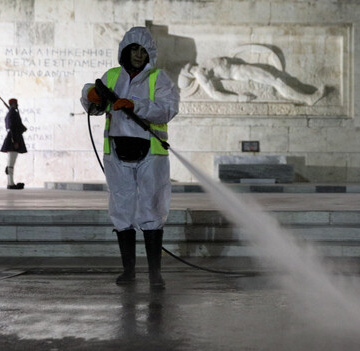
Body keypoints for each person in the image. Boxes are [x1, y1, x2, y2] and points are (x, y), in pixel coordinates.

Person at [80, 26, 179, 289]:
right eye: (134, 49)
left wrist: (136, 105)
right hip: (117, 152)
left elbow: (168, 109)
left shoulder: (159, 78)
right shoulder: (112, 76)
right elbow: (96, 105)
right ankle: (129, 271)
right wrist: (89, 95)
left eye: (143, 50)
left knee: (152, 207)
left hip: (150, 154)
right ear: (125, 50)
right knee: (122, 209)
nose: (138, 54)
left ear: (150, 53)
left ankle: (155, 274)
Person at [178, 57, 326, 105]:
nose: (186, 65)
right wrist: (239, 99)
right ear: (187, 73)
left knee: (277, 80)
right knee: (276, 81)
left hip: (242, 68)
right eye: (185, 68)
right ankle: (308, 98)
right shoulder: (200, 75)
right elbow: (214, 94)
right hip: (240, 72)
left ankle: (307, 98)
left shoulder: (201, 65)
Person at [0, 98, 27, 190]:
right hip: (13, 138)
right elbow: (10, 128)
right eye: (15, 103)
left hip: (15, 137)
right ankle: (10, 183)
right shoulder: (12, 113)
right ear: (13, 104)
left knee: (11, 163)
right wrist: (14, 141)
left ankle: (11, 182)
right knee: (10, 163)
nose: (17, 104)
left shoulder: (12, 112)